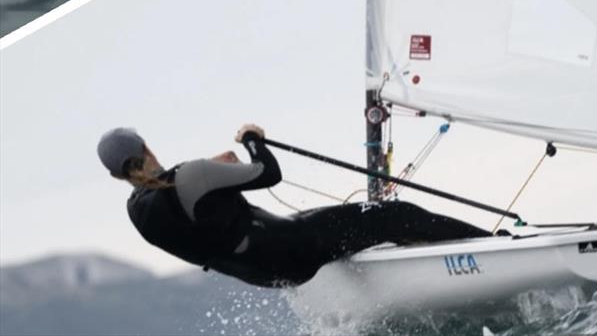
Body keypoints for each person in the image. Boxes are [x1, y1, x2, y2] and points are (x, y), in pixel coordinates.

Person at [97, 124, 491, 288]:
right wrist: (253, 139)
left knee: (330, 226)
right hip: (292, 246)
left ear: (117, 176)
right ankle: (491, 246)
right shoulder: (192, 176)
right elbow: (268, 173)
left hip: (267, 275)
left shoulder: (139, 213)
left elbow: (193, 208)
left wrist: (213, 173)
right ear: (146, 147)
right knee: (392, 215)